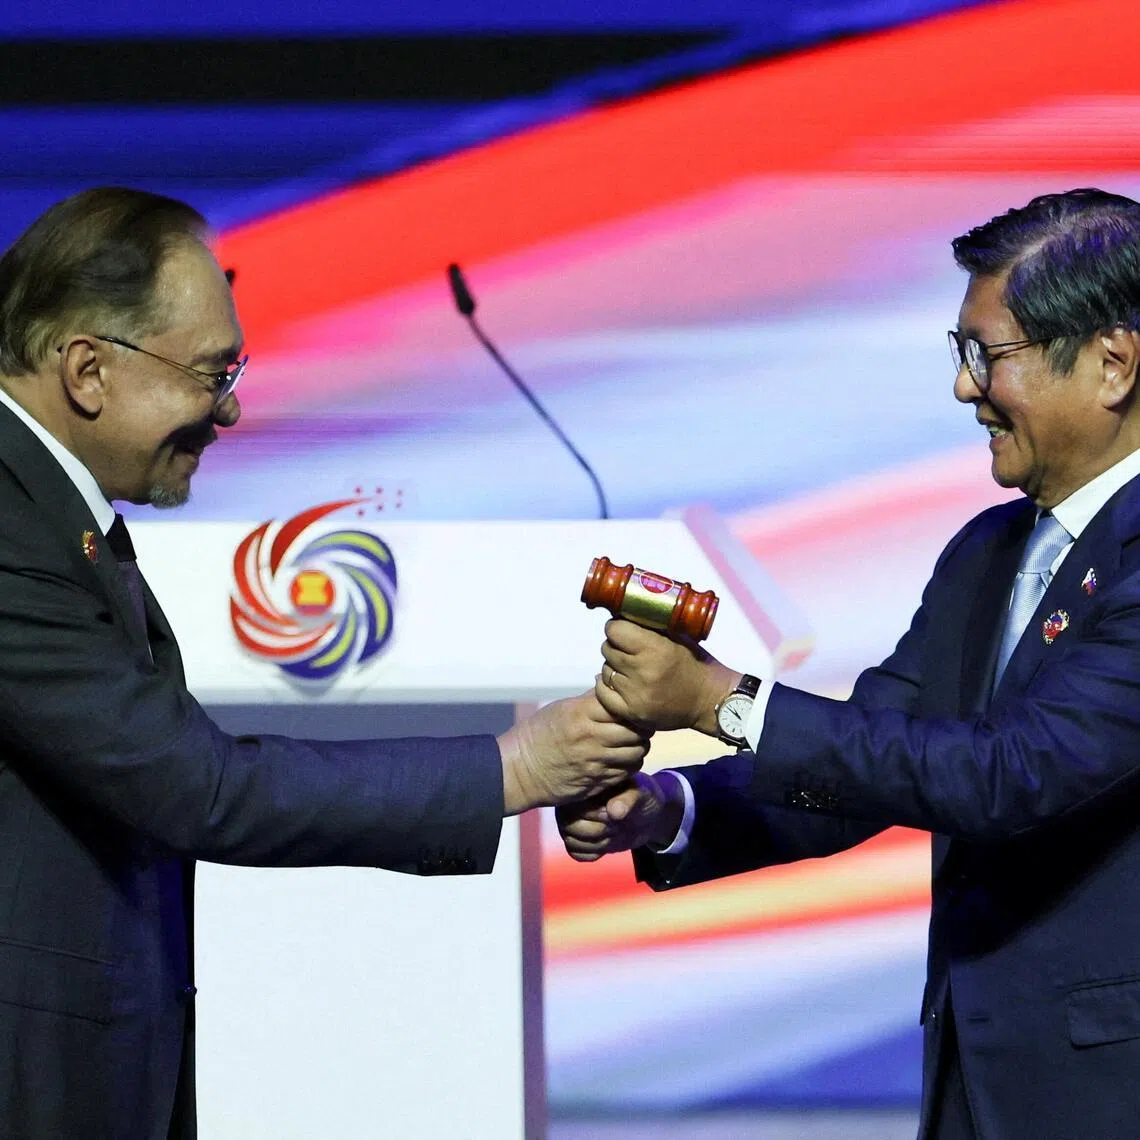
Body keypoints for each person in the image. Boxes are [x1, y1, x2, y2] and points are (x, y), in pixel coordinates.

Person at [0, 187, 648, 1140]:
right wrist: (511, 769)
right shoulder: (12, 526)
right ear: (89, 370)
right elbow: (198, 789)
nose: (227, 410)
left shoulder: (55, 509)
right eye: (211, 373)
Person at [559, 188, 1140, 1140]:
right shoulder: (988, 551)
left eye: (987, 356)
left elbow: (1010, 775)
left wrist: (724, 700)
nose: (964, 389)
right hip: (970, 1087)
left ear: (1112, 364)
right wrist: (670, 811)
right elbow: (877, 761)